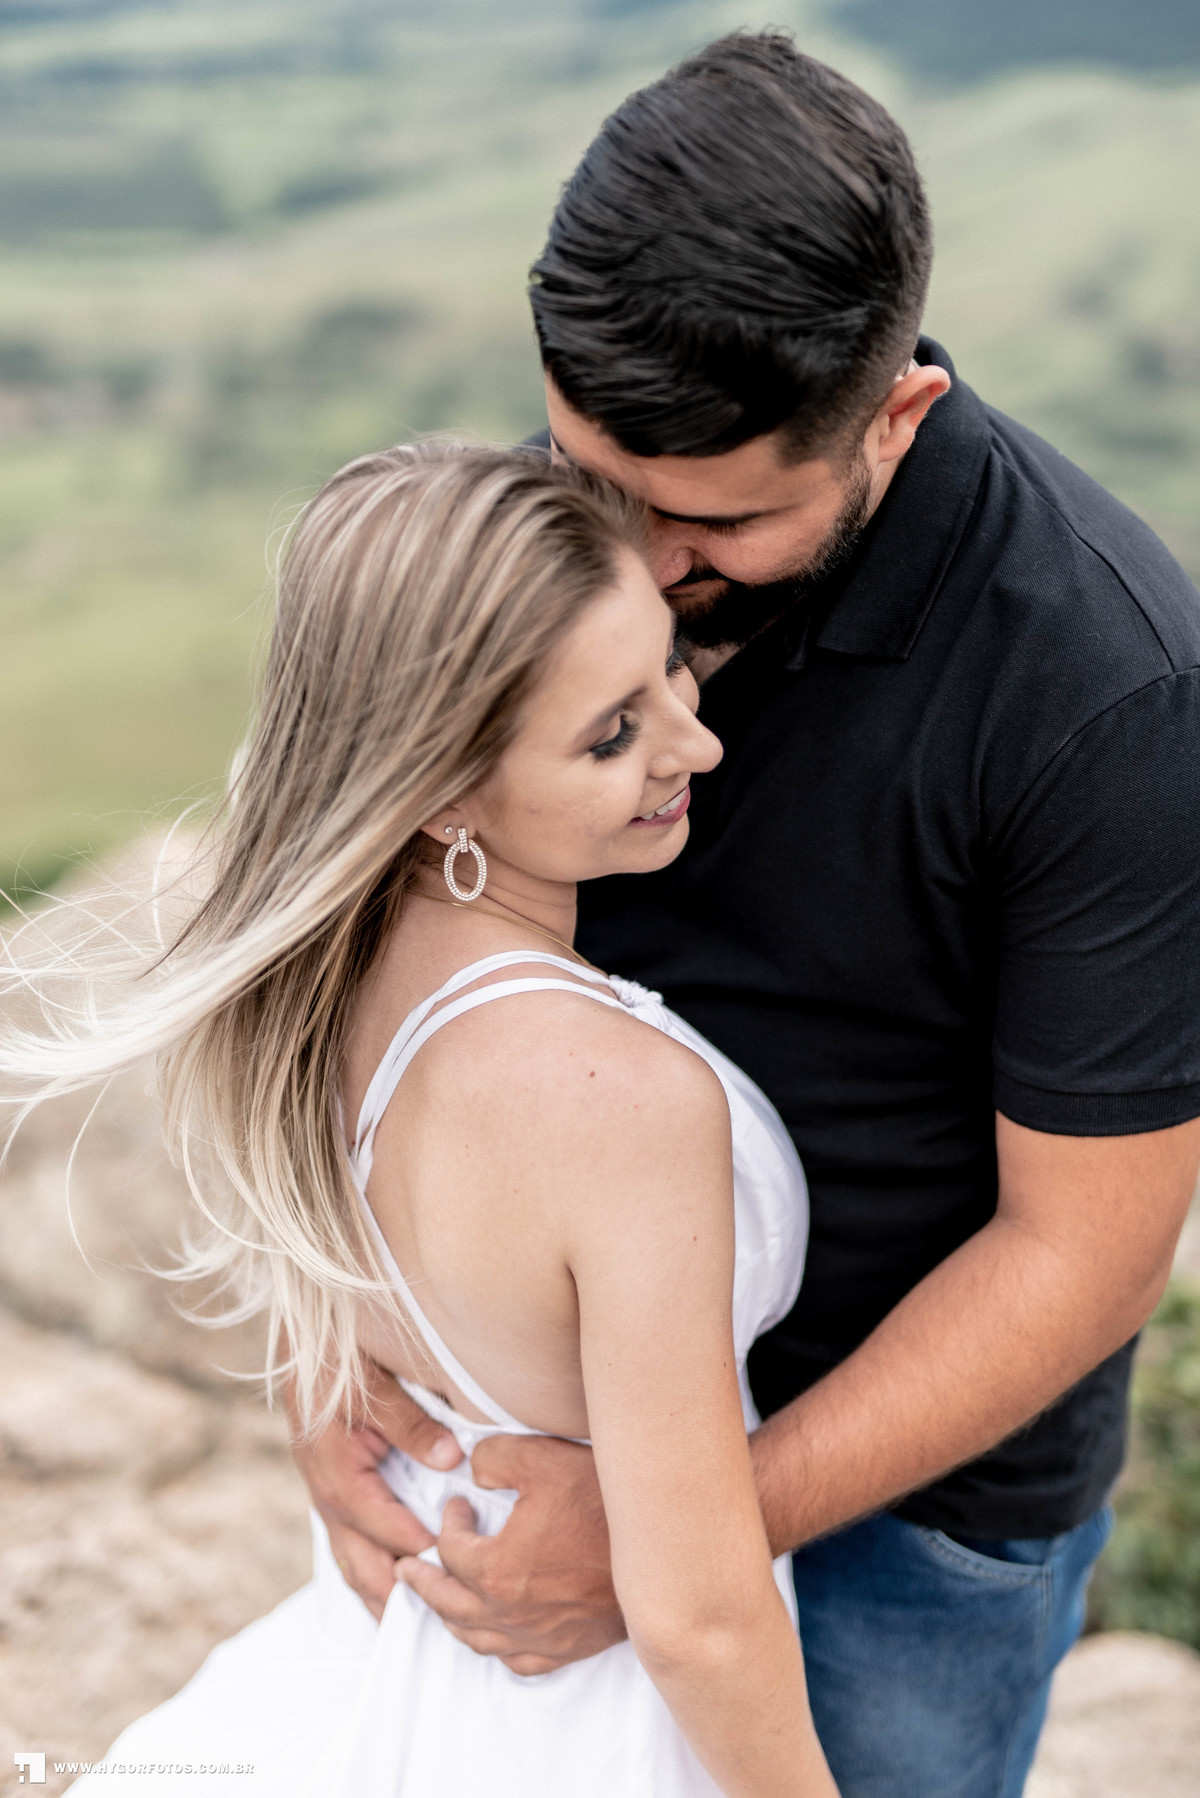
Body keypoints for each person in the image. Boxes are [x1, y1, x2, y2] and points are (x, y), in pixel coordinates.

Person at [296, 32, 1200, 1798]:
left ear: (895, 417)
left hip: (902, 1519)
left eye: (713, 520)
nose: (635, 561)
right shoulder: (571, 518)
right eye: (597, 476)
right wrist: (336, 1342)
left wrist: (672, 1530)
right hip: (537, 1435)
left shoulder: (1107, 692)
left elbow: (1085, 1250)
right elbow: (353, 925)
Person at [1, 444, 840, 1797]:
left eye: (671, 666)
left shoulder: (314, 986)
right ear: (440, 788)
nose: (697, 742)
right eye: (610, 733)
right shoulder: (619, 1100)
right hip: (580, 1723)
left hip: (405, 1652)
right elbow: (695, 1616)